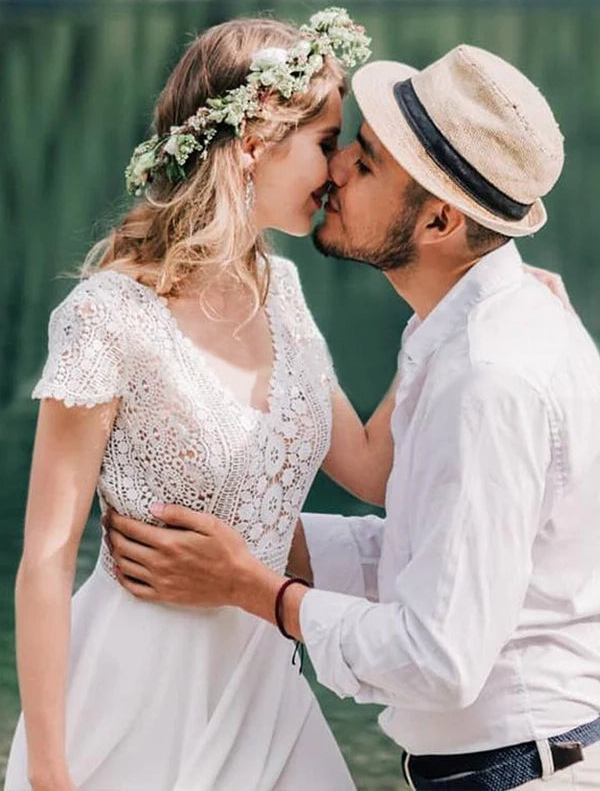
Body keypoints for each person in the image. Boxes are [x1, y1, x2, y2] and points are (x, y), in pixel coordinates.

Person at [106, 45, 600, 790]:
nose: (334, 170)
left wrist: (254, 589)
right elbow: (424, 555)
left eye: (364, 163)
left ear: (438, 221)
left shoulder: (489, 378)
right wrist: (254, 535)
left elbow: (438, 659)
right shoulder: (472, 330)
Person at [4, 9, 393, 791]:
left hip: (266, 688)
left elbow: (372, 469)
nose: (337, 169)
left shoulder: (283, 293)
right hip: (132, 707)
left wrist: (458, 304)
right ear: (255, 139)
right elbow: (45, 557)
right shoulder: (107, 315)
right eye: (325, 142)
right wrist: (49, 771)